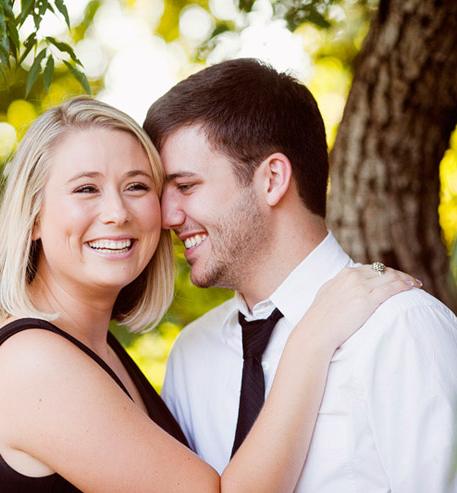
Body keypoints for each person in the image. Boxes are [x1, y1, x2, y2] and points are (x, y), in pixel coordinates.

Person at [0, 96, 418, 492]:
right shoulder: (35, 363)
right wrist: (313, 335)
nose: (116, 212)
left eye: (137, 186)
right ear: (33, 218)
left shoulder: (99, 352)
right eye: (86, 188)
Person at [144, 58, 457, 492]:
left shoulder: (401, 328)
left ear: (272, 179)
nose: (166, 216)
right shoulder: (190, 356)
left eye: (186, 186)